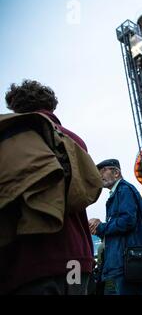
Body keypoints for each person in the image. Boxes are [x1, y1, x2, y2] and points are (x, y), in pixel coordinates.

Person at [0, 80, 102, 295]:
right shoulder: (74, 140)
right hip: (76, 262)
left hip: (32, 265)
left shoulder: (10, 140)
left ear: (15, 107)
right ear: (52, 105)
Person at [89, 159, 142, 295]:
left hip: (125, 263)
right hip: (121, 263)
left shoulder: (124, 190)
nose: (99, 175)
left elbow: (127, 221)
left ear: (116, 173)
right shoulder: (119, 192)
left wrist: (101, 227)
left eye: (102, 171)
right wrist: (101, 227)